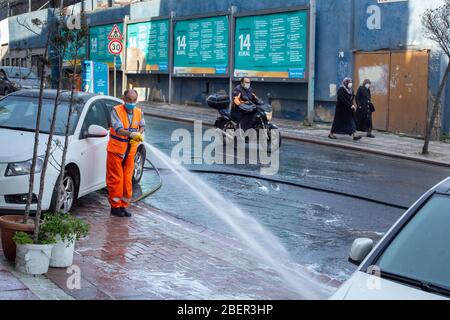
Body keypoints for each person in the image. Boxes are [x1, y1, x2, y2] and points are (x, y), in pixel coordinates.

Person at [106, 89, 145, 217]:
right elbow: (118, 129)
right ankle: (115, 207)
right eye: (129, 100)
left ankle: (124, 206)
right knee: (116, 179)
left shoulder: (139, 112)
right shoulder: (116, 110)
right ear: (124, 99)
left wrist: (140, 132)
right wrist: (131, 134)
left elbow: (142, 125)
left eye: (134, 100)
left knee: (127, 179)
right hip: (116, 150)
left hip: (130, 151)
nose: (132, 103)